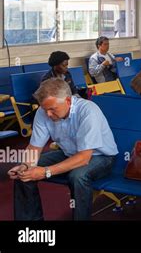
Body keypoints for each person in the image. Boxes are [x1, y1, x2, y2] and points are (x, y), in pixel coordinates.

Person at [8, 78, 118, 220]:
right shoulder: (43, 112)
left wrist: (45, 172)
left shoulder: (88, 111)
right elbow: (34, 147)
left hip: (100, 157)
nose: (48, 114)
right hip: (69, 154)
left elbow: (84, 158)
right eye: (45, 109)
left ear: (67, 101)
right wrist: (25, 165)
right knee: (24, 173)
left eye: (52, 109)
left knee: (78, 176)